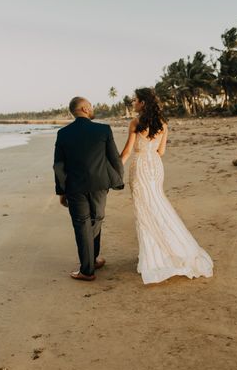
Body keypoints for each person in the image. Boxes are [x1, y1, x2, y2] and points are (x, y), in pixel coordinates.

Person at [120, 88, 213, 284]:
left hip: (140, 167)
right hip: (155, 166)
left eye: (135, 100)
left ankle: (154, 256)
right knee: (157, 203)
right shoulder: (163, 123)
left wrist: (113, 169)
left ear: (143, 103)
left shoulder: (136, 122)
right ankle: (175, 249)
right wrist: (149, 153)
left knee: (145, 209)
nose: (133, 103)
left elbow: (127, 151)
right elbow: (161, 151)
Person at [53, 97, 124, 281]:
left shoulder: (63, 133)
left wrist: (61, 192)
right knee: (96, 218)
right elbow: (114, 158)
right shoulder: (103, 129)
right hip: (100, 184)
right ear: (84, 108)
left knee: (82, 224)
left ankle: (89, 265)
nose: (92, 108)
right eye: (91, 106)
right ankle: (89, 266)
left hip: (75, 187)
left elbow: (59, 166)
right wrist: (116, 179)